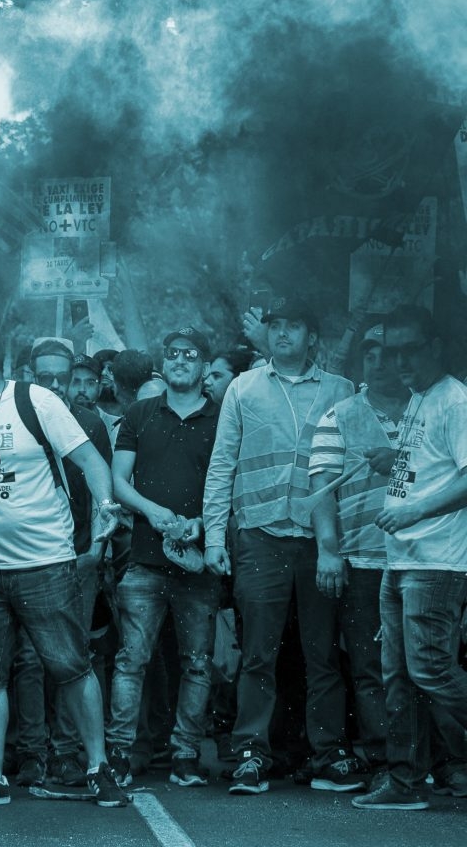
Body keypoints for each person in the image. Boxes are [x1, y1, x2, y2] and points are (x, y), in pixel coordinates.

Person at [0, 325, 130, 810]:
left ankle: (98, 769)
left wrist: (106, 510)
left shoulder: (35, 403)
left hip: (46, 563)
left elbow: (91, 461)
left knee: (72, 667)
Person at [203, 299, 357, 795]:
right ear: (266, 336)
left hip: (321, 540)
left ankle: (330, 752)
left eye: (295, 325)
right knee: (258, 652)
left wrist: (343, 543)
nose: (284, 333)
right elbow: (222, 464)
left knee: (322, 652)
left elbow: (351, 474)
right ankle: (250, 753)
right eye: (277, 326)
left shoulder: (342, 390)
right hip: (260, 537)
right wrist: (213, 536)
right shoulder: (242, 388)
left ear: (313, 336)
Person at [352, 305, 467, 809]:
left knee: (431, 671)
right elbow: (432, 464)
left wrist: (415, 511)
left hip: (436, 561)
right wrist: (392, 460)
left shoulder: (455, 401)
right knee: (398, 674)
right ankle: (402, 782)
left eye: (409, 350)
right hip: (400, 559)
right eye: (392, 351)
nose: (398, 361)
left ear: (435, 347)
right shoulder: (421, 398)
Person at [105, 327, 221, 789]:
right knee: (131, 660)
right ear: (163, 363)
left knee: (196, 662)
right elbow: (118, 480)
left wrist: (201, 526)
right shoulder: (140, 412)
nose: (179, 360)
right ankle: (119, 752)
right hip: (145, 558)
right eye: (172, 353)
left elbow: (226, 481)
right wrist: (152, 511)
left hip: (198, 557)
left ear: (204, 367)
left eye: (189, 355)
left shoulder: (222, 417)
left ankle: (186, 756)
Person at [13, 340, 114, 788]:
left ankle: (68, 753)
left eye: (63, 377)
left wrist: (97, 548)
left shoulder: (89, 421)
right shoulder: (16, 414)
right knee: (30, 659)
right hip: (31, 557)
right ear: (30, 373)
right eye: (47, 376)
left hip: (78, 557)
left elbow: (100, 485)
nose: (56, 385)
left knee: (71, 659)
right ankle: (33, 752)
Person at [307, 327, 402, 785]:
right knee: (371, 668)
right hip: (364, 562)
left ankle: (440, 761)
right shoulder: (339, 416)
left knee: (428, 665)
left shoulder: (435, 409)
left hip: (427, 561)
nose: (380, 362)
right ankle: (388, 764)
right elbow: (321, 492)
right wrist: (329, 551)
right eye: (371, 353)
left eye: (389, 353)